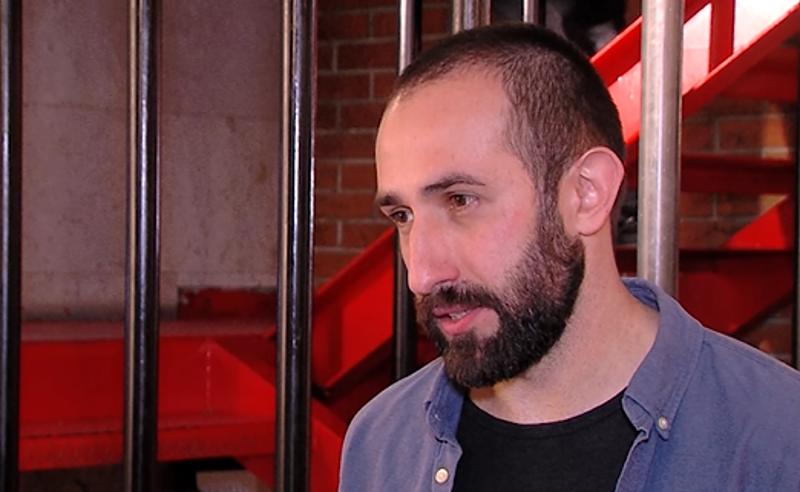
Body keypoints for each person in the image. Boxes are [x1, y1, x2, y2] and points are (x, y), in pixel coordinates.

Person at [338, 23, 800, 491]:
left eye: (461, 200)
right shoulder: (381, 443)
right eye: (402, 215)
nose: (420, 274)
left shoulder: (778, 438)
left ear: (586, 193)